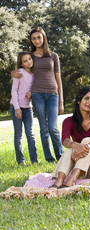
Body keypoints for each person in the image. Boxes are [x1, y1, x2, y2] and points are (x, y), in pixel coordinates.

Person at [12, 27, 64, 162]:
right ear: (31, 40)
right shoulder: (31, 56)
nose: (37, 41)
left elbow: (58, 78)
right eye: (33, 38)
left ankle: (61, 157)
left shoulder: (53, 56)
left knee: (53, 128)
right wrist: (13, 73)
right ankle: (49, 158)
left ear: (44, 38)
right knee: (44, 128)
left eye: (39, 37)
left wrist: (61, 101)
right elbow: (22, 69)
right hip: (37, 95)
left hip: (53, 94)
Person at [50, 87, 90, 188]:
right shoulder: (69, 121)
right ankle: (59, 180)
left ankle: (72, 179)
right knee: (72, 146)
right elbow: (65, 140)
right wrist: (75, 145)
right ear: (79, 101)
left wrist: (85, 147)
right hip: (82, 168)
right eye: (86, 98)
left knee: (87, 140)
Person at [10, 51, 38, 165]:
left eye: (30, 59)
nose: (29, 62)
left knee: (30, 134)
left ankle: (34, 160)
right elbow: (14, 91)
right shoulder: (19, 73)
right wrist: (17, 108)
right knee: (18, 135)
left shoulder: (35, 74)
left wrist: (31, 94)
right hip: (16, 107)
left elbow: (33, 89)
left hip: (28, 108)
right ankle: (21, 161)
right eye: (25, 61)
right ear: (22, 64)